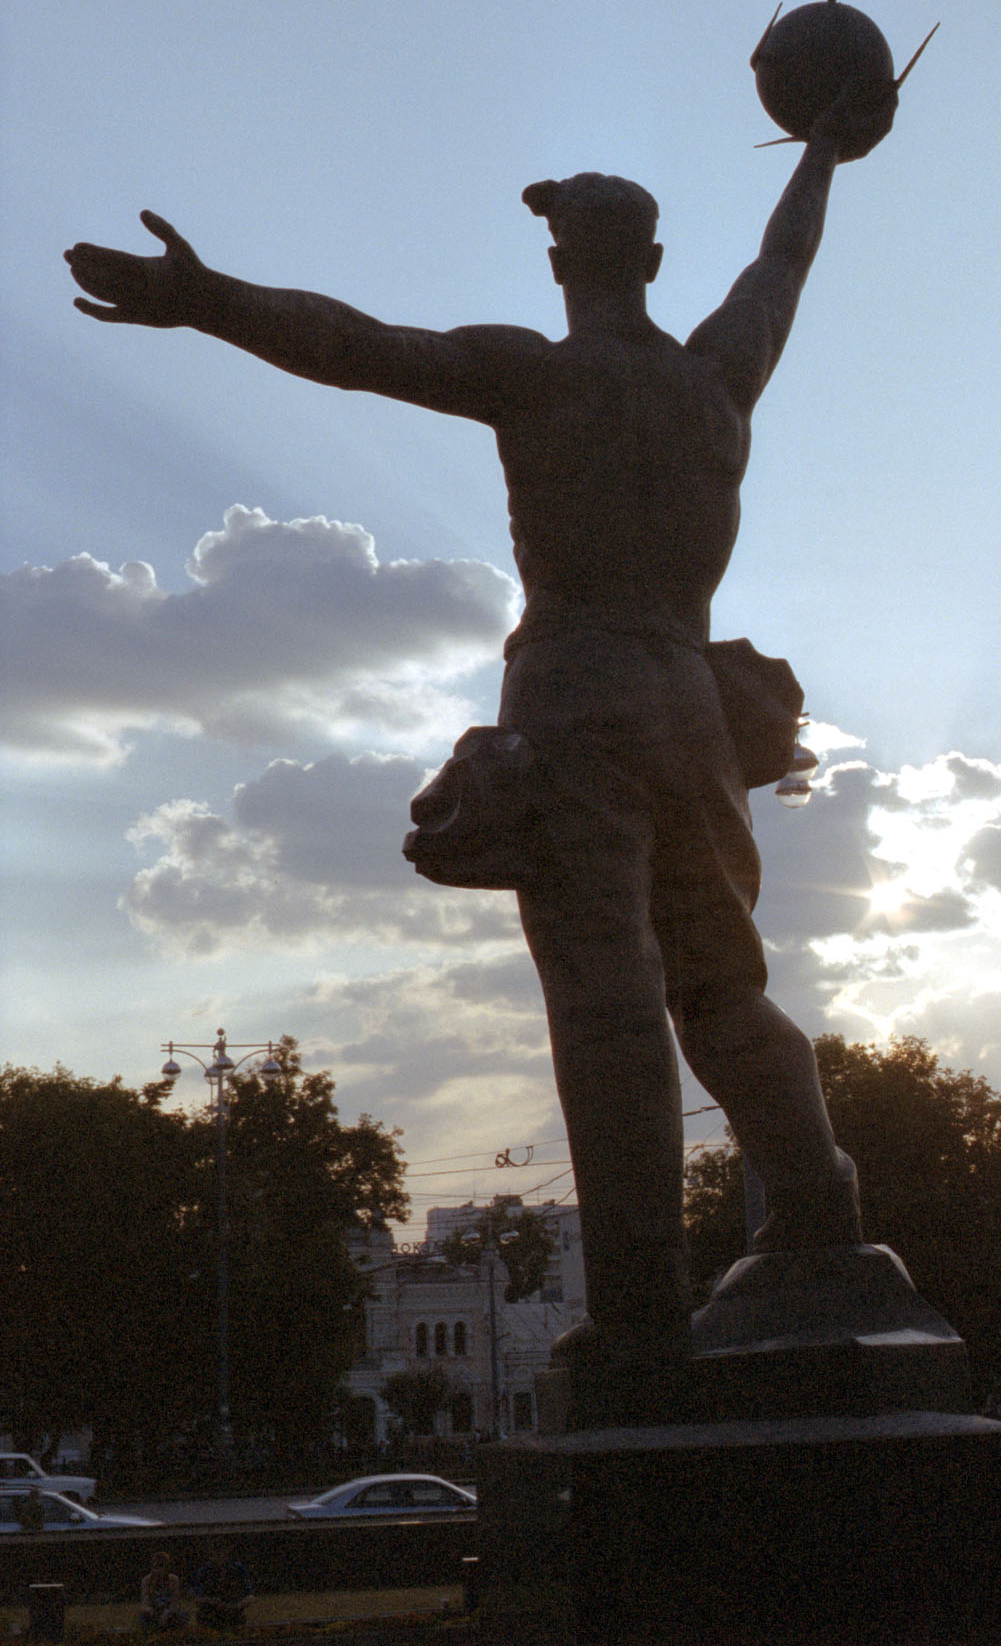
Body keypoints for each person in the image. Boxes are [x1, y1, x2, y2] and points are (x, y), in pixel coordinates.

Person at [65, 70, 898, 1373]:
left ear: (561, 262)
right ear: (654, 261)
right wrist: (822, 155)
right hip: (690, 708)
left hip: (576, 697)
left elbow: (355, 347)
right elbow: (779, 264)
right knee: (723, 987)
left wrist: (204, 298)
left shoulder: (531, 373)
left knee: (609, 1005)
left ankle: (640, 1324)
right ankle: (819, 1210)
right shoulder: (716, 378)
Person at [192, 1547, 253, 1630]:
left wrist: (237, 1606)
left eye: (220, 1553)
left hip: (233, 1612)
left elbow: (250, 1595)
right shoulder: (203, 1571)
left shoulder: (238, 1569)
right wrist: (211, 1602)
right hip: (210, 1613)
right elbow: (196, 1598)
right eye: (214, 1554)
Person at [139, 1552, 187, 1633]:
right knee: (144, 1617)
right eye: (155, 1567)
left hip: (169, 1610)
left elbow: (175, 1602)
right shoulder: (147, 1580)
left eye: (161, 1566)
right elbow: (145, 1602)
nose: (157, 1570)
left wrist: (167, 1612)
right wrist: (150, 1610)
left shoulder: (173, 1580)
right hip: (153, 1610)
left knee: (181, 1616)